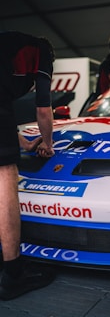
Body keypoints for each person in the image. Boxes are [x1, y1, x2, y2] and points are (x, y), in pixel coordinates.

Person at [0, 30, 56, 300]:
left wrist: (20, 141)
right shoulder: (42, 49)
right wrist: (48, 142)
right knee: (6, 173)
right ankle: (12, 273)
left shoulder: (10, 48)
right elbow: (43, 108)